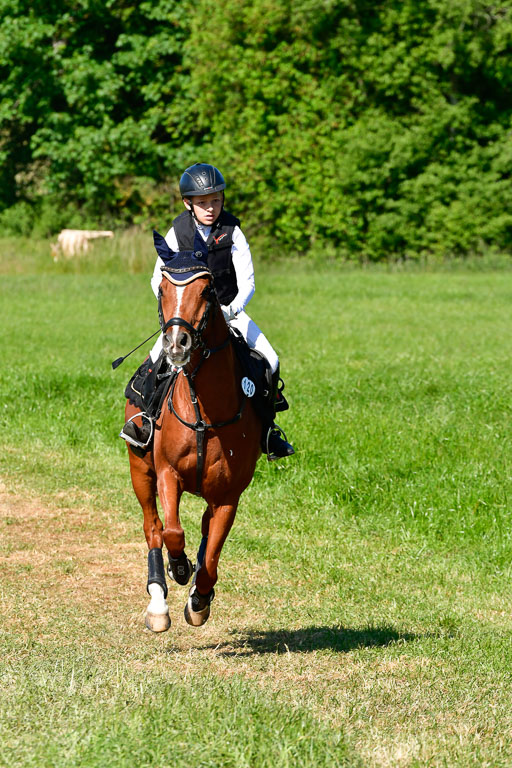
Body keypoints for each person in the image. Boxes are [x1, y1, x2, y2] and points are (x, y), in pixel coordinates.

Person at [120, 162, 294, 461]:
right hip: (186, 318)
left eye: (215, 200)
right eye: (203, 202)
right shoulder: (177, 232)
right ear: (189, 203)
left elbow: (248, 282)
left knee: (272, 359)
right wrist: (177, 310)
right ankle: (145, 422)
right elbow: (156, 279)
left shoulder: (232, 232)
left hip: (230, 312)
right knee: (154, 362)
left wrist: (229, 312)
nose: (210, 208)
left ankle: (268, 431)